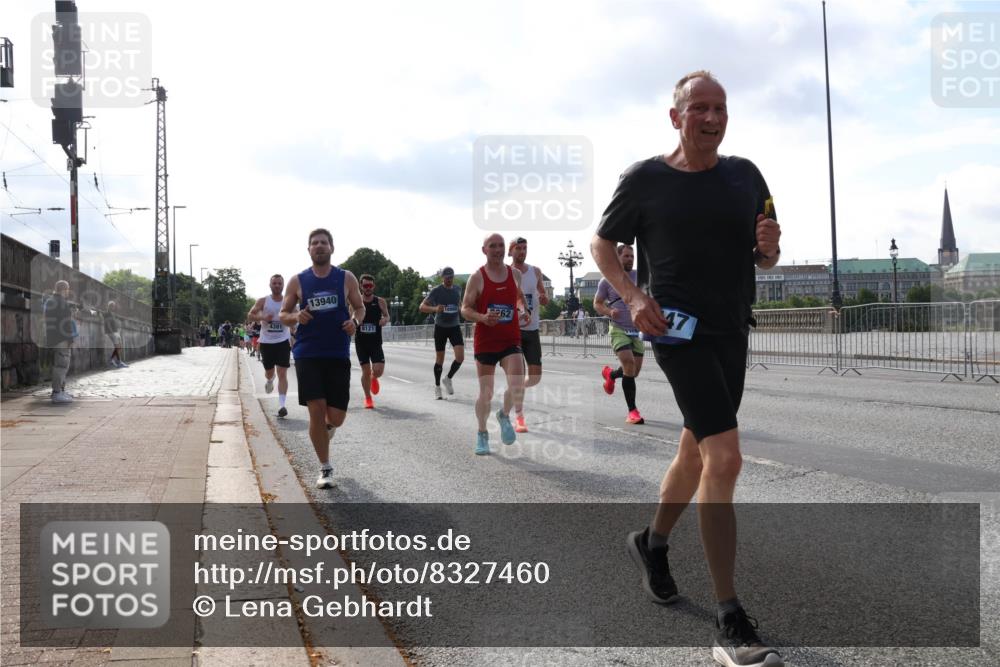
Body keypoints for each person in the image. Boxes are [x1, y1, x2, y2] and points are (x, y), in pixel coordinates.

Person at [591, 71, 783, 667]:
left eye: (720, 107)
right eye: (698, 107)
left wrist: (770, 248)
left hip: (731, 329)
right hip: (674, 329)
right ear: (675, 117)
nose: (711, 116)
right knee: (726, 458)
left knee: (695, 453)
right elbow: (602, 244)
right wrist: (633, 294)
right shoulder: (645, 179)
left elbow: (763, 254)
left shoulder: (746, 175)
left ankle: (651, 544)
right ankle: (730, 618)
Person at [280, 228, 365, 489]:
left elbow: (359, 307)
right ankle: (325, 468)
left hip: (337, 353)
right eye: (314, 243)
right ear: (309, 250)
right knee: (316, 409)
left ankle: (327, 429)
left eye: (323, 243)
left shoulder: (345, 278)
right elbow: (284, 314)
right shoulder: (297, 281)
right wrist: (296, 317)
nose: (319, 246)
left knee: (335, 417)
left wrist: (355, 322)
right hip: (308, 353)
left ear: (331, 248)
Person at [461, 233, 528, 455]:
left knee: (517, 382)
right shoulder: (477, 278)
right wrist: (482, 317)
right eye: (493, 246)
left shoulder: (515, 274)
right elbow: (465, 308)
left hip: (510, 337)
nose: (497, 249)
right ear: (484, 250)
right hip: (486, 340)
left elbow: (518, 296)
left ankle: (504, 415)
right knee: (486, 393)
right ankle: (482, 433)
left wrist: (522, 309)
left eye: (500, 245)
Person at [595, 244, 644, 425]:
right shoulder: (606, 280)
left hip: (637, 329)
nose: (630, 259)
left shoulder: (640, 276)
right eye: (626, 256)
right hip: (618, 328)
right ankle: (632, 411)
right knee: (629, 364)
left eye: (632, 256)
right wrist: (609, 312)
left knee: (633, 371)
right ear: (618, 258)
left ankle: (611, 375)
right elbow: (597, 303)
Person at [507, 236, 549, 433]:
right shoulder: (506, 273)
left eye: (525, 248)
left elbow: (543, 296)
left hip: (532, 330)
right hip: (513, 330)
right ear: (511, 251)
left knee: (535, 377)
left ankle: (513, 390)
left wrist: (544, 297)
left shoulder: (536, 271)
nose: (522, 252)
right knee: (519, 374)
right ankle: (519, 416)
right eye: (518, 248)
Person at [249, 274, 292, 418]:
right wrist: (262, 317)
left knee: (282, 373)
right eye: (274, 283)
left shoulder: (288, 301)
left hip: (282, 341)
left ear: (283, 285)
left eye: (280, 283)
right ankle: (269, 380)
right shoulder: (263, 301)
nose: (277, 285)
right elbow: (250, 315)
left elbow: (295, 315)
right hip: (266, 342)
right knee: (269, 372)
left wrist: (293, 324)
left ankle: (282, 405)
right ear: (270, 285)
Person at [419, 267, 465, 400]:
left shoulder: (457, 289)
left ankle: (448, 378)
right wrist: (434, 308)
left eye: (451, 277)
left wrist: (463, 309)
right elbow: (422, 307)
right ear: (442, 278)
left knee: (460, 357)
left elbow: (459, 303)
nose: (449, 280)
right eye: (447, 278)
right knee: (440, 358)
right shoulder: (436, 291)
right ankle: (437, 387)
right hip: (440, 327)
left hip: (454, 326)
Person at [354, 274, 389, 409]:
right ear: (361, 286)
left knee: (378, 370)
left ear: (373, 286)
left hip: (375, 342)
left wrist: (384, 319)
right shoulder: (356, 302)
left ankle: (374, 378)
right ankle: (368, 398)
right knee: (366, 371)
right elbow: (352, 315)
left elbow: (386, 315)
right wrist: (355, 322)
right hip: (361, 342)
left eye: (370, 285)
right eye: (365, 286)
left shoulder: (380, 301)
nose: (368, 288)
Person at [43, 280, 76, 404]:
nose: (68, 292)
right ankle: (57, 393)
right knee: (61, 365)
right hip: (62, 338)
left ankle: (60, 391)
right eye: (68, 289)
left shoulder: (50, 301)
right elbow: (65, 323)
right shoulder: (61, 302)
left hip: (54, 338)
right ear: (64, 289)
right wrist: (70, 339)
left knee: (60, 364)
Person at [103, 300, 128, 368]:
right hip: (111, 332)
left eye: (113, 306)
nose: (112, 307)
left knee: (119, 346)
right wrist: (112, 332)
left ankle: (116, 361)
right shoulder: (106, 313)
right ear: (108, 306)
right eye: (111, 306)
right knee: (117, 346)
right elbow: (107, 324)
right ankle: (117, 361)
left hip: (116, 332)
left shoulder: (113, 314)